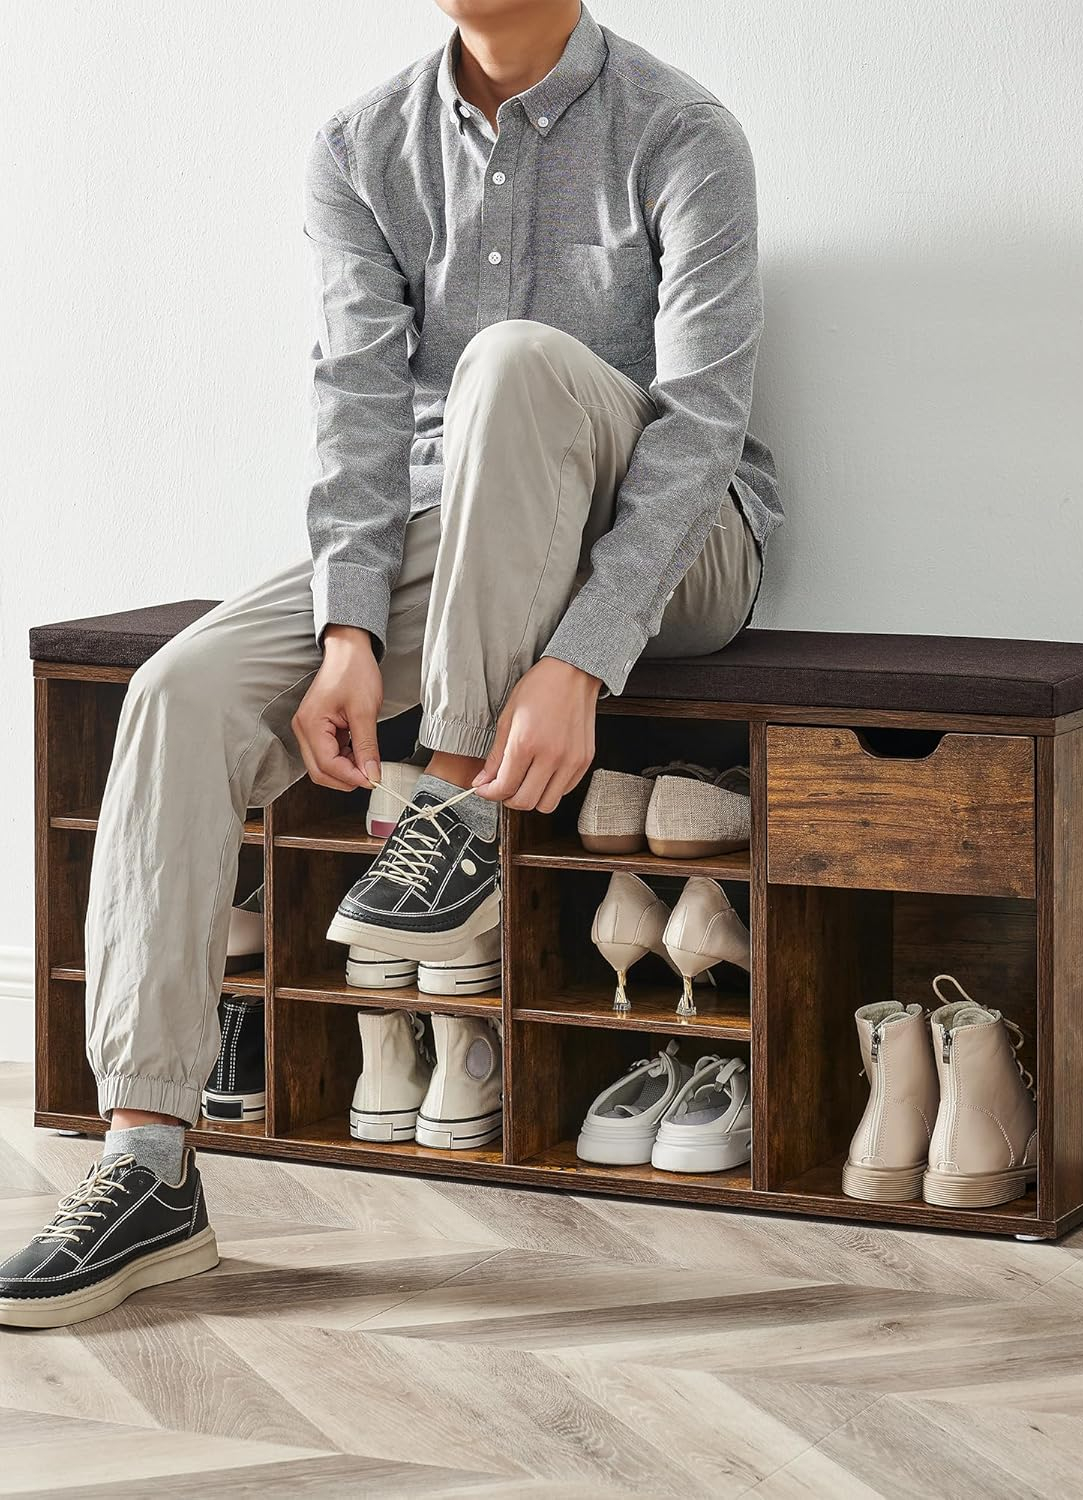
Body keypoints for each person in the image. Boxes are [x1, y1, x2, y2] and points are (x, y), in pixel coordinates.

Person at [0, 0, 779, 1328]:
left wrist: (581, 660)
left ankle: (449, 812)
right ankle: (147, 1162)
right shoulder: (361, 146)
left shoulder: (682, 132)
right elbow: (357, 401)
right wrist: (350, 631)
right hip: (448, 535)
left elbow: (701, 427)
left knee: (514, 361)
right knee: (180, 692)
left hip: (678, 545)